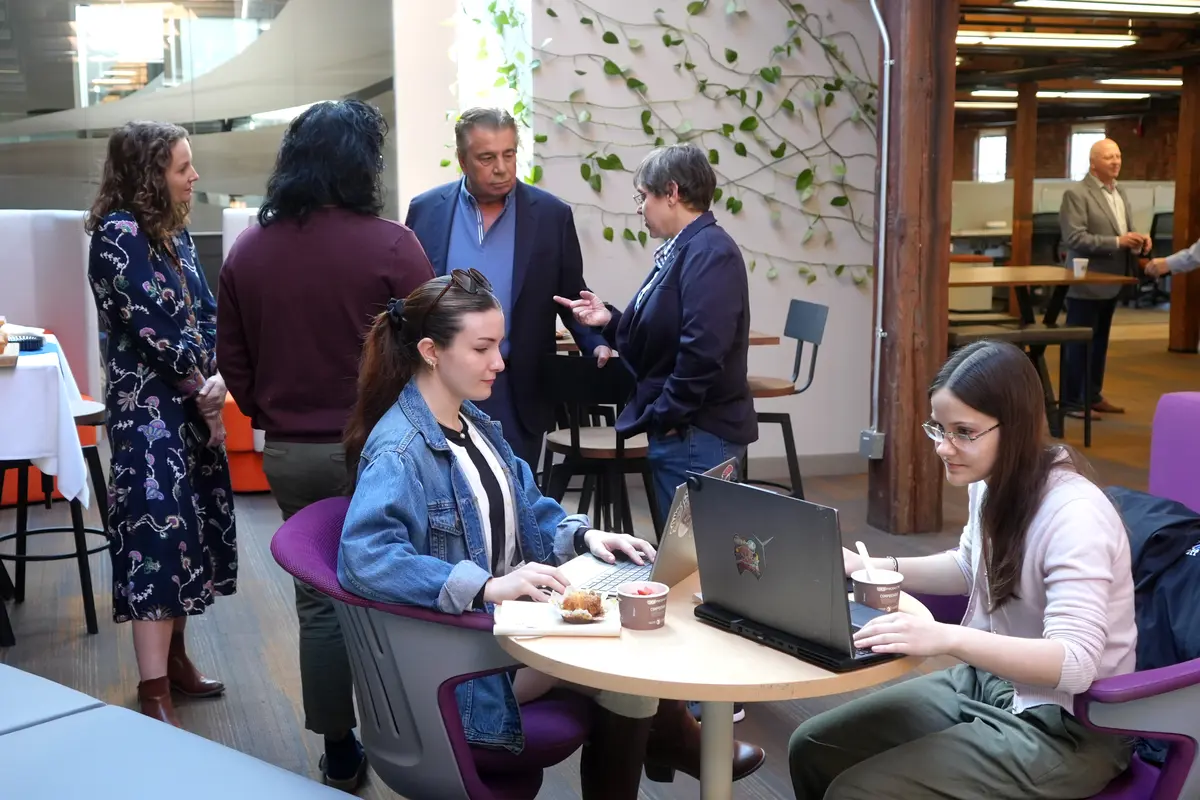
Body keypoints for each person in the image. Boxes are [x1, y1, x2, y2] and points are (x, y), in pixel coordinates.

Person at [338, 273, 765, 797]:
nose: (499, 362)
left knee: (629, 624)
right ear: (430, 351)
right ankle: (676, 737)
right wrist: (485, 586)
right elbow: (364, 556)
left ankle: (674, 736)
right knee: (631, 656)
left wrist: (586, 538)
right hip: (465, 669)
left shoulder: (471, 422)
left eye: (499, 345)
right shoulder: (401, 450)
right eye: (483, 348)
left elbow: (530, 508)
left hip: (498, 633)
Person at [788, 339, 1137, 799]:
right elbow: (967, 566)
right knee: (811, 746)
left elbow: (1075, 665)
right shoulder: (993, 483)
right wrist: (869, 565)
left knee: (858, 791)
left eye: (963, 432)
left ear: (1013, 428)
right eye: (939, 428)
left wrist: (946, 638)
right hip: (993, 684)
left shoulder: (1075, 515)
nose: (944, 448)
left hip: (1069, 727)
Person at [217, 99, 433, 790]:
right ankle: (416, 739)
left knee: (320, 602)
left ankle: (339, 751)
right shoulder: (394, 246)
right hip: (384, 451)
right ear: (360, 164)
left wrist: (274, 413)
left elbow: (235, 361)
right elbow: (434, 348)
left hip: (289, 453)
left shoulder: (249, 248)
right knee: (399, 592)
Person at [85, 121, 235, 727]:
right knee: (155, 545)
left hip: (191, 411)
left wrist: (219, 375)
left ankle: (175, 661)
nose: (194, 176)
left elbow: (205, 312)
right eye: (182, 167)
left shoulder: (172, 233)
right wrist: (203, 390)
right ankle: (153, 693)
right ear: (151, 175)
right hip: (149, 421)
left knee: (188, 540)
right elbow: (156, 331)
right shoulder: (116, 239)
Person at [404, 107, 611, 466]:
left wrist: (595, 342)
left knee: (515, 504)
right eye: (487, 158)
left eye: (509, 154)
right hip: (440, 386)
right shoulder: (426, 211)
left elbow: (570, 294)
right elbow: (411, 297)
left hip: (516, 388)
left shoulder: (550, 215)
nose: (501, 167)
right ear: (463, 160)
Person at [1058, 138, 1149, 419]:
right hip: (1086, 280)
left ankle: (1092, 395)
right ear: (1093, 162)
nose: (1116, 162)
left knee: (1100, 342)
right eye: (1109, 157)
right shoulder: (1076, 194)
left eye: (1119, 156)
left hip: (1113, 280)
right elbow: (1074, 237)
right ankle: (1072, 402)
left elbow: (1123, 230)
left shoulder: (1118, 191)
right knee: (1078, 342)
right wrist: (1117, 241)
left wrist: (1137, 239)